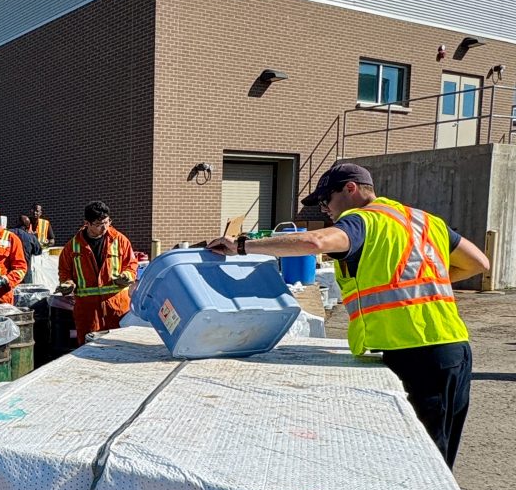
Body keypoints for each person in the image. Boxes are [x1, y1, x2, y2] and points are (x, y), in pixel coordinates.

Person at [206, 163, 489, 468]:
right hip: (453, 349)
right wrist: (426, 280)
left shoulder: (362, 221)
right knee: (440, 459)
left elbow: (314, 242)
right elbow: (478, 263)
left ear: (350, 189)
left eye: (326, 199)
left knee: (423, 466)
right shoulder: (423, 220)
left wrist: (242, 246)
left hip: (417, 355)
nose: (325, 209)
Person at [57, 201, 138, 345]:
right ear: (87, 223)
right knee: (89, 349)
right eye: (99, 224)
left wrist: (127, 275)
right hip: (88, 312)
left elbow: (131, 265)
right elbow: (64, 271)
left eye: (107, 222)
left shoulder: (120, 240)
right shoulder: (73, 247)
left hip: (117, 308)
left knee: (120, 346)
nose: (105, 227)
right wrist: (67, 283)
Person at [12, 216, 43, 284]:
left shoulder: (7, 234)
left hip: (9, 275)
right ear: (28, 226)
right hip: (25, 274)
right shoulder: (31, 237)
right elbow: (38, 251)